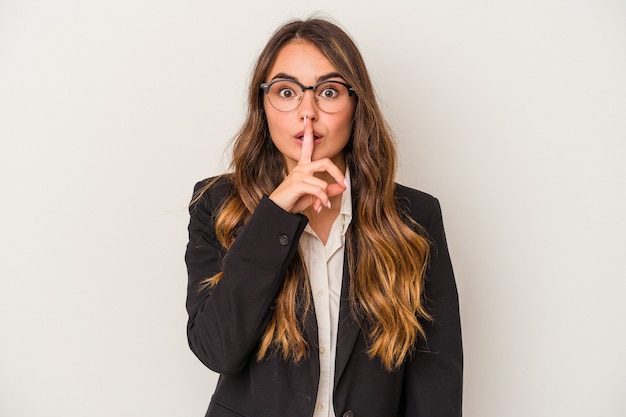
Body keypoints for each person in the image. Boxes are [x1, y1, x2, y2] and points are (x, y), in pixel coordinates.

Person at [185, 17, 462, 417]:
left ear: (356, 105)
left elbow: (437, 378)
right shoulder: (216, 203)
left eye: (328, 92)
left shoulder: (415, 216)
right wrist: (276, 214)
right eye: (286, 92)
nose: (307, 112)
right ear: (263, 107)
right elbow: (217, 348)